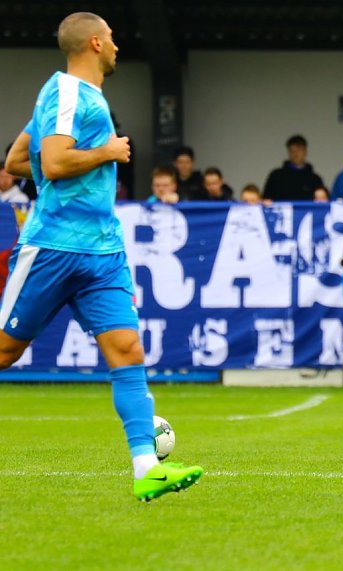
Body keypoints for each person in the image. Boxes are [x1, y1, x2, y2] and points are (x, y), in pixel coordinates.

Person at [0, 12, 202, 501]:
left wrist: (72, 162)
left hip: (103, 252)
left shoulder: (80, 98)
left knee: (127, 350)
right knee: (6, 351)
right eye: (110, 38)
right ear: (94, 43)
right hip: (53, 246)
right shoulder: (66, 92)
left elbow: (18, 160)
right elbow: (50, 161)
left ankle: (146, 469)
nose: (116, 46)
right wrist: (106, 153)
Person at [263, 134, 324, 202]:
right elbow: (266, 200)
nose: (295, 154)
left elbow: (322, 202)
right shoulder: (276, 176)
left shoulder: (315, 179)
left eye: (298, 150)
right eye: (292, 150)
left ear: (305, 152)